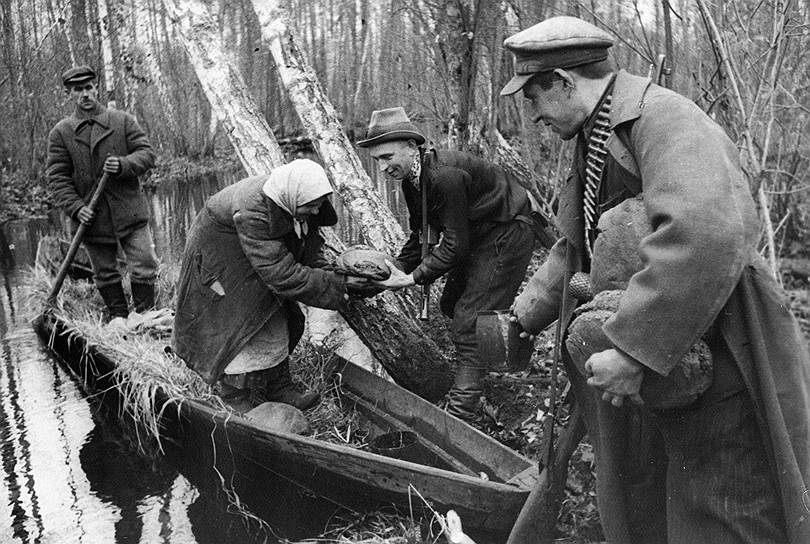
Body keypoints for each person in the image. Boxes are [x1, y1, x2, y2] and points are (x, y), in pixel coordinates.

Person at [500, 16, 810, 544]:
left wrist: (634, 350)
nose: (531, 116)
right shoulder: (597, 134)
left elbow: (710, 229)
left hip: (715, 333)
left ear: (564, 81)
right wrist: (526, 315)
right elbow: (577, 247)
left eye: (533, 97)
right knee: (651, 499)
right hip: (662, 344)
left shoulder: (665, 120)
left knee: (725, 503)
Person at [358, 107, 537, 421]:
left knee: (469, 317)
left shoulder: (444, 176)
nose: (384, 168)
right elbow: (423, 233)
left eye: (388, 157)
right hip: (481, 233)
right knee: (451, 303)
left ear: (411, 147)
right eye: (378, 161)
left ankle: (461, 409)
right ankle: (482, 362)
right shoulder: (412, 182)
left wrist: (412, 278)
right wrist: (395, 268)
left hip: (507, 230)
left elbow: (455, 246)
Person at [172, 159, 357, 413]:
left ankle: (280, 387)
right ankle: (234, 394)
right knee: (238, 316)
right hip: (220, 255)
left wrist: (337, 277)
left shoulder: (301, 200)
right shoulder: (253, 208)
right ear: (294, 198)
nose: (315, 212)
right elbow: (282, 276)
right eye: (310, 207)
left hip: (255, 247)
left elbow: (310, 251)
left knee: (276, 310)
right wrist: (338, 285)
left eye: (318, 206)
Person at [47, 65, 159, 321]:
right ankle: (118, 319)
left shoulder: (122, 120)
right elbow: (57, 179)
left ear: (96, 88)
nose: (85, 94)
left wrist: (123, 165)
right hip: (92, 217)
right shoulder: (61, 133)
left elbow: (147, 154)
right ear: (68, 94)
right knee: (105, 272)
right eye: (77, 90)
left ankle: (146, 318)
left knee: (144, 264)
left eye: (88, 88)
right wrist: (76, 208)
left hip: (129, 211)